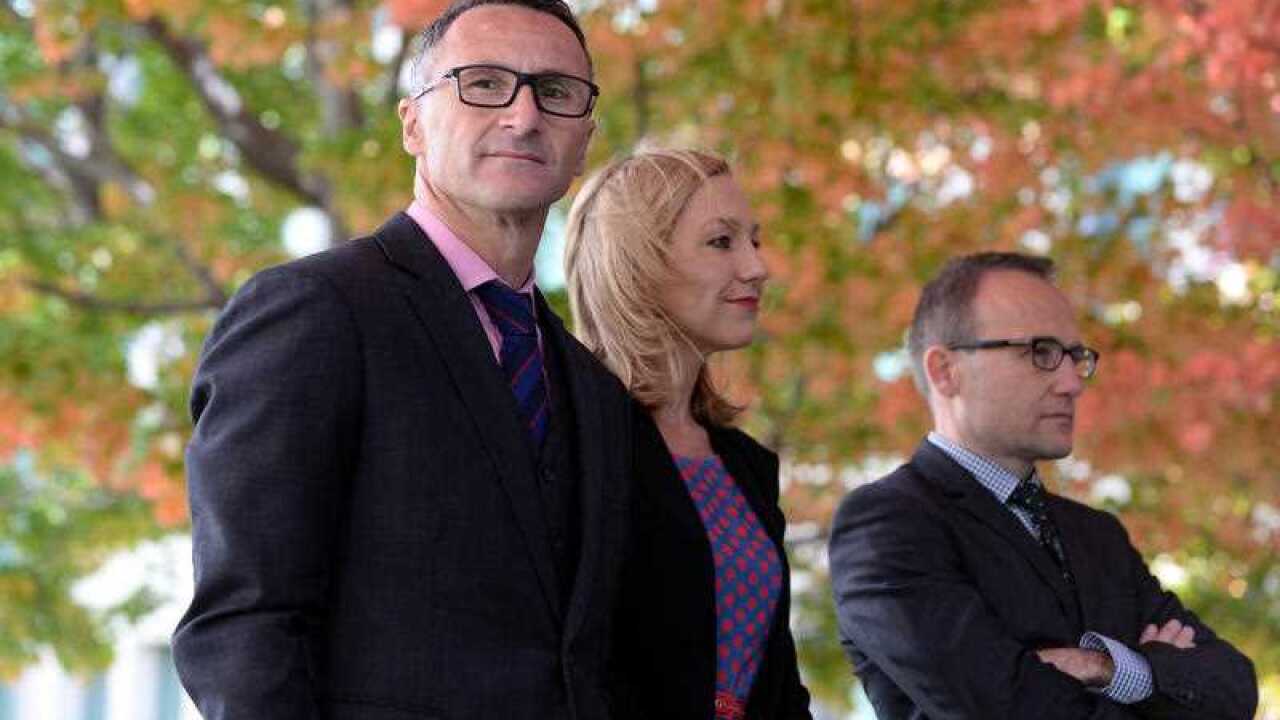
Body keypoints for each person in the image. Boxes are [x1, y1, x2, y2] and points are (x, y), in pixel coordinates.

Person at [171, 1, 636, 718]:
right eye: (484, 84)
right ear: (412, 123)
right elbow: (245, 624)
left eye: (555, 91)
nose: (524, 115)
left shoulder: (591, 385)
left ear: (584, 142)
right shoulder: (316, 311)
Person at [827, 251, 1257, 719]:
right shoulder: (887, 524)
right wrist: (1156, 683)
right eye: (1041, 353)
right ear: (945, 371)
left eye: (1076, 357)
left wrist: (1103, 667)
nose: (1072, 383)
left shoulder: (1098, 535)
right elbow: (1009, 709)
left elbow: (1234, 689)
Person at [564, 148, 812, 720]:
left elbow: (777, 683)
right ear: (637, 264)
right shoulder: (571, 441)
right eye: (722, 242)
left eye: (754, 240)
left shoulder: (745, 463)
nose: (757, 267)